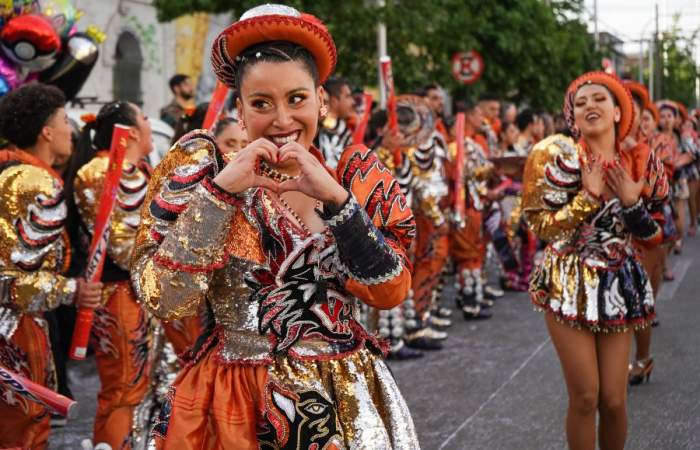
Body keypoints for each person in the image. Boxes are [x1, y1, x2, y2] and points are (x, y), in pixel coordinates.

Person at [131, 5, 418, 448]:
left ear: (322, 100)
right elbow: (165, 300)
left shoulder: (355, 177)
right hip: (234, 404)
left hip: (343, 403)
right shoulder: (204, 175)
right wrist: (221, 194)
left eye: (297, 99)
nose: (282, 121)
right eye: (262, 104)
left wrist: (338, 203)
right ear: (240, 113)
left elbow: (391, 290)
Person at [523, 72, 667, 450]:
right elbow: (540, 226)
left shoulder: (639, 162)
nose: (589, 105)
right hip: (567, 280)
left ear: (618, 112)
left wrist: (633, 205)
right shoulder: (555, 157)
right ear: (572, 117)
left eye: (599, 99)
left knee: (615, 400)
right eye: (580, 101)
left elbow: (655, 238)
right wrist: (588, 196)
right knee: (586, 396)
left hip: (618, 281)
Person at [0, 83, 102, 449]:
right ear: (46, 131)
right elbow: (12, 282)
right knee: (24, 429)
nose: (70, 130)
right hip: (17, 329)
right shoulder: (37, 182)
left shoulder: (8, 173)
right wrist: (73, 290)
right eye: (63, 120)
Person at [64, 101, 154, 448]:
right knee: (122, 385)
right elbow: (122, 248)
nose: (148, 124)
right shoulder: (101, 171)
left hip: (137, 292)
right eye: (144, 118)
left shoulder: (137, 169)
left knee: (137, 383)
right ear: (130, 131)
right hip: (117, 294)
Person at [317, 76, 355, 168]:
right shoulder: (324, 130)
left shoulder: (338, 130)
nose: (353, 102)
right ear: (334, 101)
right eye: (348, 96)